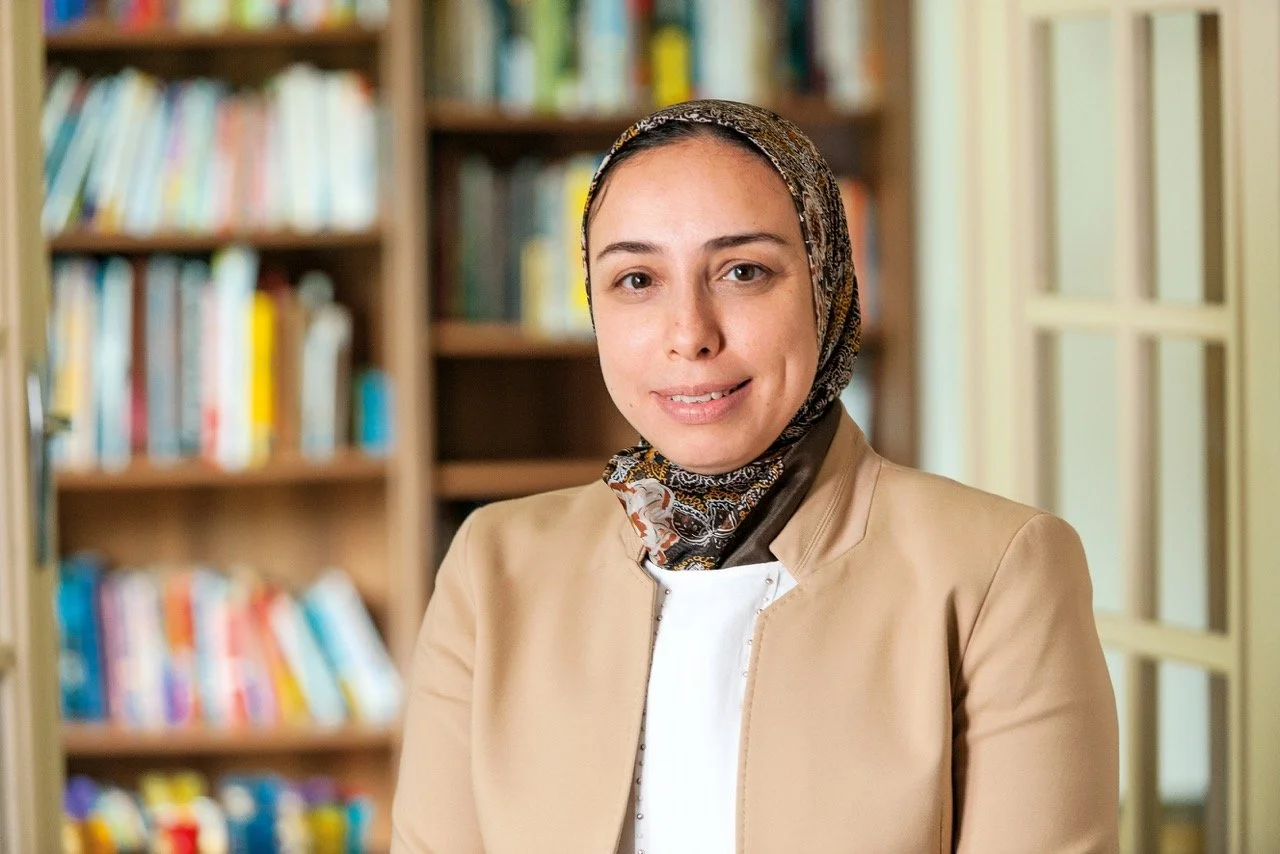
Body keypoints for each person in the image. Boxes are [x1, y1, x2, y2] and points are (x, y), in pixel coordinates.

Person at [391, 100, 1119, 854]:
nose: (690, 335)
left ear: (827, 282)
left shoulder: (997, 571)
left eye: (743, 271)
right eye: (637, 279)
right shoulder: (494, 568)